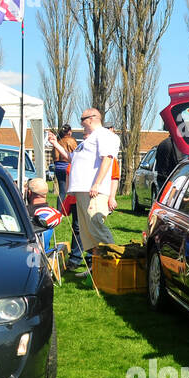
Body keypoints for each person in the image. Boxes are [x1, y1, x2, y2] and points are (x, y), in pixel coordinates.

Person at [66, 107, 122, 269]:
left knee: (95, 225)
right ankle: (97, 268)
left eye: (82, 120)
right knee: (88, 233)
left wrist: (96, 184)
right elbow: (71, 158)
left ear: (92, 118)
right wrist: (55, 144)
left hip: (93, 191)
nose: (81, 124)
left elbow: (107, 159)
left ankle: (115, 264)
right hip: (82, 190)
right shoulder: (89, 140)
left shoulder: (104, 135)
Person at [46, 125, 85, 270]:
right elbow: (74, 154)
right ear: (69, 132)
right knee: (67, 191)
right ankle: (80, 257)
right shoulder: (72, 142)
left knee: (62, 191)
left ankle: (60, 210)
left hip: (58, 166)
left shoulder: (60, 141)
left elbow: (54, 154)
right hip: (67, 166)